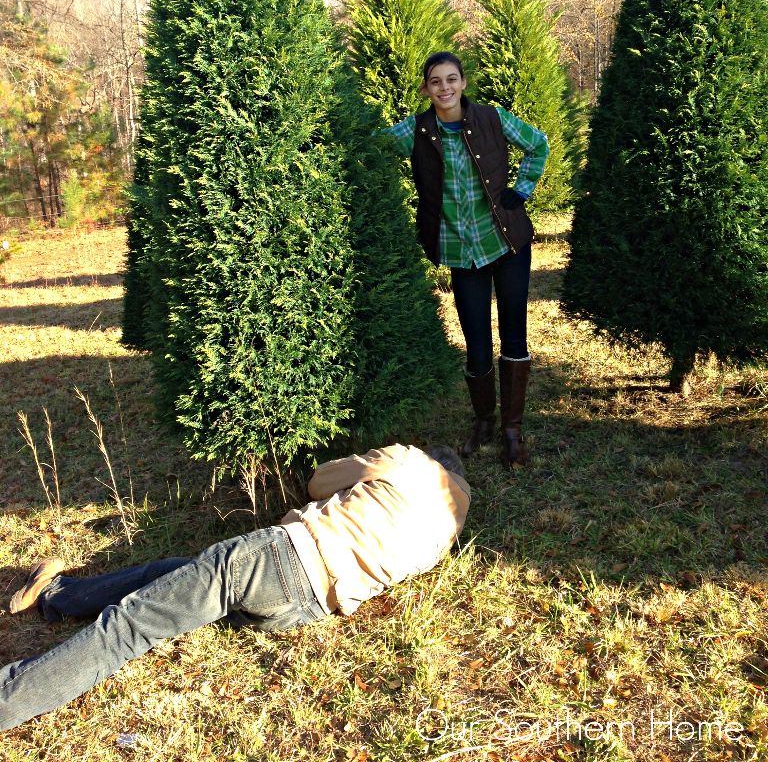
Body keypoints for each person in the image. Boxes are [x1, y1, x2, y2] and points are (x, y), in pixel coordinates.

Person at [1, 443, 469, 732]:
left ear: (431, 458)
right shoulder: (449, 528)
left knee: (126, 631)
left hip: (276, 560)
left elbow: (317, 483)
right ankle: (60, 593)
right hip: (304, 608)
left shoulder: (407, 462)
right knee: (166, 575)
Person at [386, 52, 550, 468]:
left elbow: (538, 143)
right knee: (476, 341)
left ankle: (513, 431)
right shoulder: (417, 130)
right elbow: (370, 146)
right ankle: (484, 422)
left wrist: (523, 188)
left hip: (507, 242)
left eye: (452, 79)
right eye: (436, 82)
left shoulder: (493, 118)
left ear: (463, 83)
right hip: (462, 252)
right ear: (425, 88)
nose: (445, 88)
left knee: (514, 332)